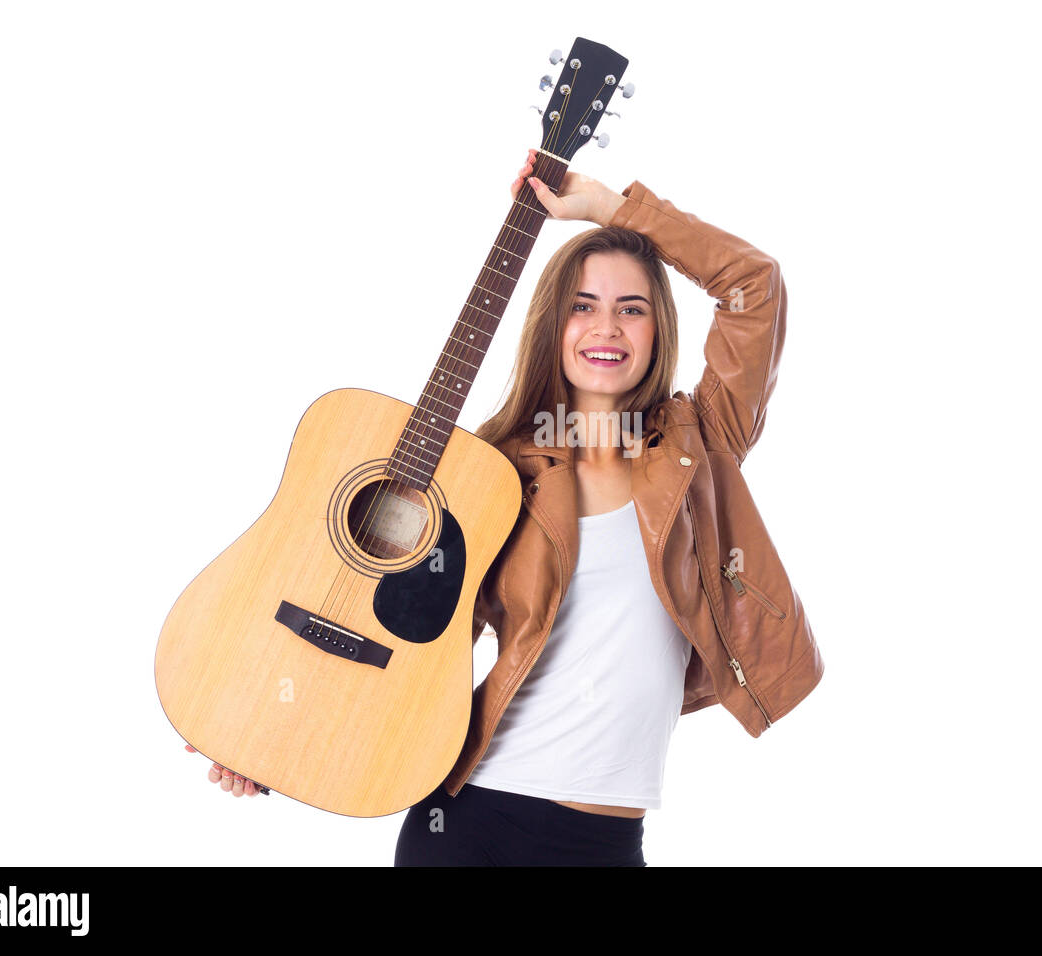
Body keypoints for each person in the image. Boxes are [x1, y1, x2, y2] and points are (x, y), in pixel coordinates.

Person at [188, 149, 825, 866]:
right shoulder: (489, 476)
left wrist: (614, 210)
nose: (606, 328)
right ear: (554, 324)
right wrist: (259, 736)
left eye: (631, 309)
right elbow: (383, 632)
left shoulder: (699, 447)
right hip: (474, 821)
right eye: (583, 306)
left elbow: (755, 285)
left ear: (658, 329)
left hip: (612, 840)